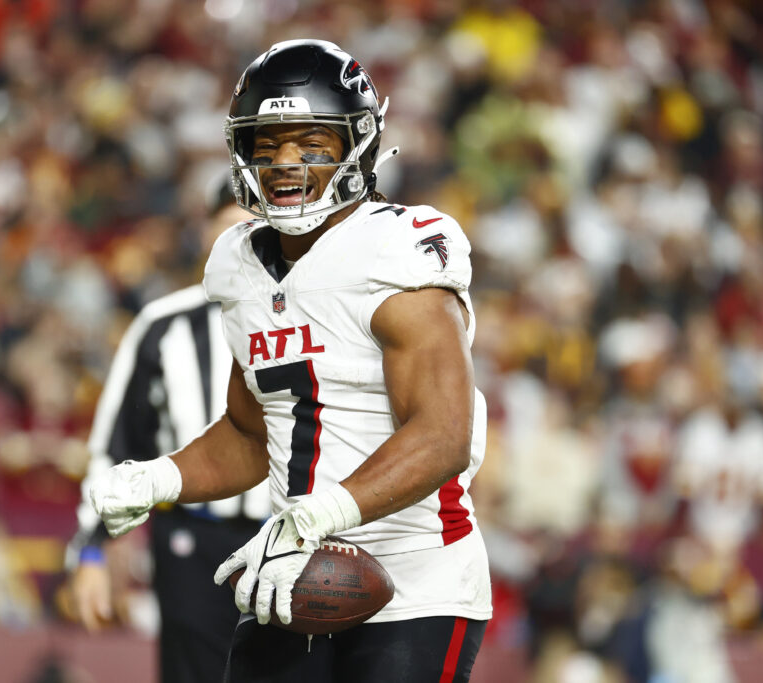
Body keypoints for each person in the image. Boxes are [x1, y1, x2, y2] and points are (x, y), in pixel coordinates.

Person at [90, 39, 491, 682]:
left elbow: (443, 436)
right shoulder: (238, 265)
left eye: (311, 144)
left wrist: (316, 515)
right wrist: (157, 480)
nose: (285, 163)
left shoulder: (398, 252)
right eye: (267, 144)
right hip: (291, 574)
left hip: (416, 578)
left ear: (356, 145)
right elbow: (252, 435)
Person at [67, 187, 270, 683]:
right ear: (203, 233)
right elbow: (116, 446)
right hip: (190, 536)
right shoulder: (162, 325)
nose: (235, 240)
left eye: (248, 226)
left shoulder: (308, 318)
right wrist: (90, 549)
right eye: (224, 226)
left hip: (282, 533)